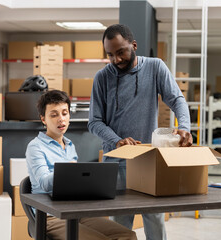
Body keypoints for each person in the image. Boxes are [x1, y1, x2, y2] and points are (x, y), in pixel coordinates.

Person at [88, 24, 193, 240]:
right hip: (116, 162)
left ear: (133, 45)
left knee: (154, 220)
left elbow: (177, 100)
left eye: (121, 52)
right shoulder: (102, 78)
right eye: (110, 55)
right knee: (120, 226)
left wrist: (184, 127)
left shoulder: (155, 67)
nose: (116, 60)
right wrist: (117, 141)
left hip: (149, 161)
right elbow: (95, 122)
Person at [26, 90, 137, 240]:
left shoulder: (70, 145)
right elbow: (44, 184)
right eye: (54, 115)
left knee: (128, 235)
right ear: (43, 119)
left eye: (64, 113)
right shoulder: (36, 147)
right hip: (50, 216)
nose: (61, 119)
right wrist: (67, 172)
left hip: (75, 213)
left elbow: (74, 186)